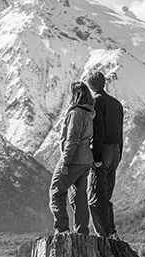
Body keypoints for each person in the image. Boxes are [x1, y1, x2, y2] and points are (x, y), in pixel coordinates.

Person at [49, 82, 95, 234]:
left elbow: (72, 139)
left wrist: (65, 162)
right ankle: (82, 230)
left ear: (75, 95)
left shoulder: (76, 113)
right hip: (86, 160)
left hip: (74, 159)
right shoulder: (89, 113)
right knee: (79, 195)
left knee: (56, 191)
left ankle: (62, 229)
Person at [85, 71, 124, 240]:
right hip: (115, 150)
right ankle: (111, 231)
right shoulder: (116, 103)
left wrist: (97, 157)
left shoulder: (96, 101)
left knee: (95, 195)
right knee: (106, 194)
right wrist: (119, 153)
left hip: (103, 150)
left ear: (91, 86)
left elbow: (98, 129)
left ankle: (103, 234)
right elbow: (121, 131)